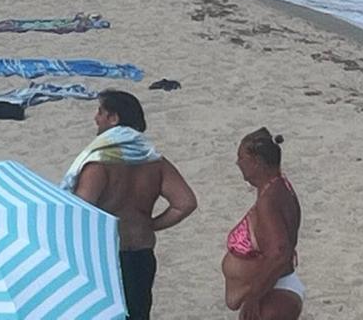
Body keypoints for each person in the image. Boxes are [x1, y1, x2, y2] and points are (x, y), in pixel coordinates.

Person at [67, 90, 198, 320]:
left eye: (101, 112)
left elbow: (80, 210)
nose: (96, 117)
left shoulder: (99, 163)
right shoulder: (154, 160)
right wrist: (151, 224)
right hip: (142, 251)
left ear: (114, 118)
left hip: (107, 256)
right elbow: (185, 203)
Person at [222, 128, 303, 319]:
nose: (237, 163)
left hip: (273, 292)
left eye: (241, 158)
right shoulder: (278, 185)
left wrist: (254, 296)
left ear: (256, 162)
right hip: (275, 286)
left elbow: (280, 252)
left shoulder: (269, 201)